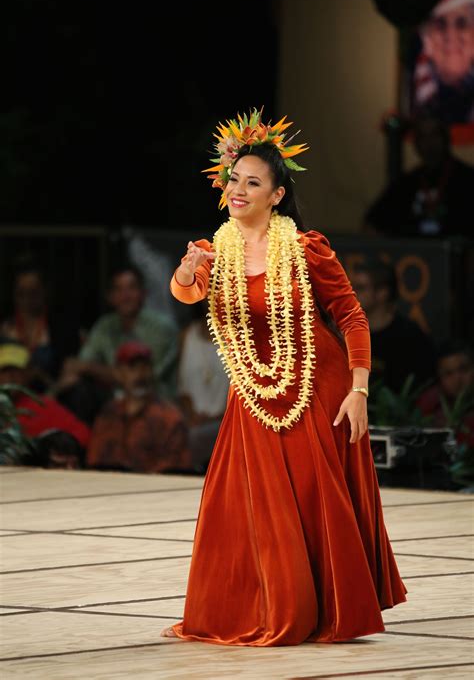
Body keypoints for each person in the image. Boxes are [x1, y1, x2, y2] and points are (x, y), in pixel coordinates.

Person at [160, 109, 406, 646]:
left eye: (254, 182)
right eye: (235, 180)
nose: (239, 189)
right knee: (248, 502)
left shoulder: (306, 247)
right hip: (254, 388)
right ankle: (271, 604)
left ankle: (327, 609)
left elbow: (352, 317)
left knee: (315, 495)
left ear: (276, 195)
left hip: (319, 387)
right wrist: (184, 271)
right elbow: (187, 293)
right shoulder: (214, 250)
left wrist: (359, 389)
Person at [55, 263, 179, 422]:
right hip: (114, 404)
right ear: (110, 297)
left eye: (131, 288)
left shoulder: (162, 328)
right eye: (118, 290)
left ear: (143, 293)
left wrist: (89, 368)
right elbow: (79, 363)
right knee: (77, 388)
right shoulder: (105, 325)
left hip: (154, 403)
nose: (125, 296)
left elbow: (141, 378)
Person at [86, 341, 190, 473]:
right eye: (133, 368)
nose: (141, 374)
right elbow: (94, 461)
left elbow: (175, 470)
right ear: (118, 373)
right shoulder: (108, 414)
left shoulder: (169, 419)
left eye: (146, 367)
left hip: (151, 490)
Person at [364, 113, 474, 238]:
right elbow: (373, 222)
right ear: (416, 143)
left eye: (434, 135)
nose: (429, 143)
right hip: (414, 255)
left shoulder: (467, 179)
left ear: (445, 138)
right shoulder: (406, 184)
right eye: (423, 137)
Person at [351, 259, 436, 393]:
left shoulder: (410, 337)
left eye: (360, 288)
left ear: (382, 293)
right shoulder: (346, 334)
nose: (352, 293)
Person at [1, 259, 81, 392]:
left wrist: (43, 379)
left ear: (45, 291)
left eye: (33, 293)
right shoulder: (4, 329)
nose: (27, 300)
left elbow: (69, 373)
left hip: (53, 396)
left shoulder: (62, 329)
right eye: (21, 293)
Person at [0, 340, 90, 449]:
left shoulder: (42, 405)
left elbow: (83, 435)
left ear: (28, 373)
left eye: (16, 370)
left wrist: (46, 448)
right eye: (5, 371)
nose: (10, 377)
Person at [413, 0, 474, 124]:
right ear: (428, 41)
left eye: (462, 23)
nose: (451, 35)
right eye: (440, 25)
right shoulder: (418, 93)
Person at [177, 300, 229, 472]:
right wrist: (192, 416)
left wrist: (216, 418)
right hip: (190, 419)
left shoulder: (239, 338)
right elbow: (181, 386)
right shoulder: (187, 336)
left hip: (226, 422)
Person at [417, 339, 474, 447]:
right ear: (439, 377)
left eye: (464, 369)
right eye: (448, 373)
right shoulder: (429, 405)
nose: (458, 379)